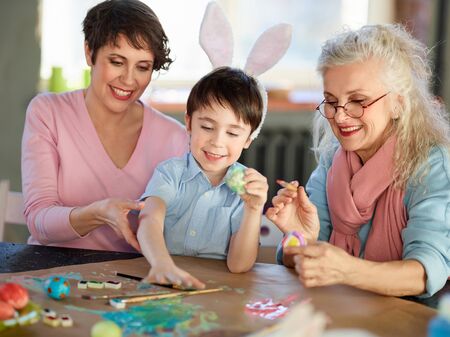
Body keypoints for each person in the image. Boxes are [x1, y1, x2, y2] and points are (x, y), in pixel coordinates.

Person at [266, 24, 450, 298]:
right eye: (331, 101)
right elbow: (303, 256)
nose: (340, 117)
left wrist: (346, 270)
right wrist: (299, 238)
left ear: (399, 103)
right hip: (336, 308)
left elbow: (425, 272)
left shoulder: (431, 166)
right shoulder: (333, 159)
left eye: (358, 101)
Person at [21, 0, 188, 252]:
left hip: (134, 281)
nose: (129, 79)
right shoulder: (48, 112)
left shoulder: (173, 137)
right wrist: (98, 213)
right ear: (90, 53)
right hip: (50, 272)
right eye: (117, 61)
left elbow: (181, 230)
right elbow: (38, 220)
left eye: (143, 67)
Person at [137, 67, 269, 289]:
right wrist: (161, 263)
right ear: (188, 123)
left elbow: (239, 266)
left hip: (217, 289)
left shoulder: (245, 188)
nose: (217, 142)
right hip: (164, 278)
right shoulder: (170, 173)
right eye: (207, 127)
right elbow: (149, 219)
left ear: (249, 138)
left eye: (233, 133)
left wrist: (254, 210)